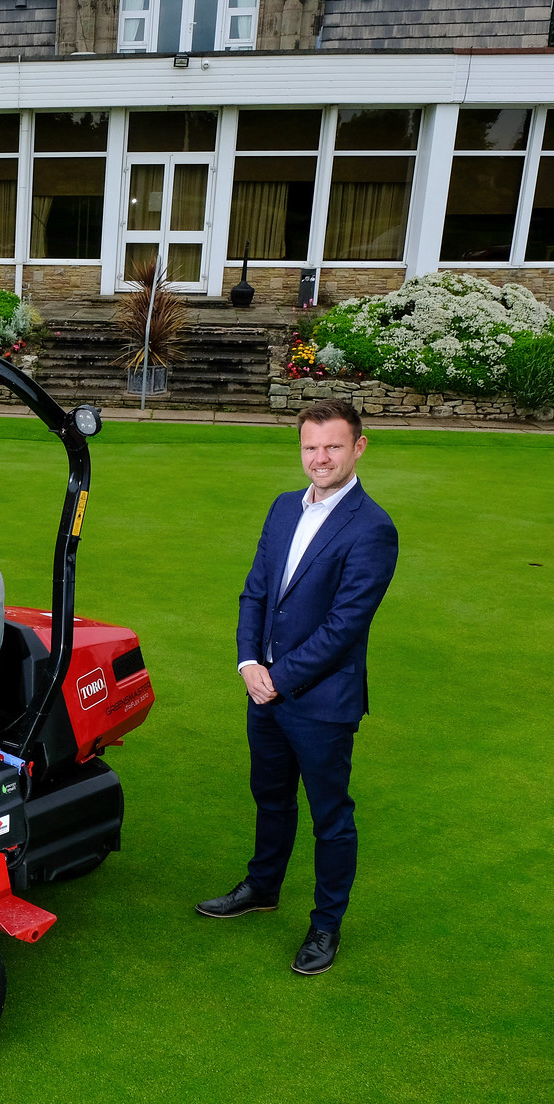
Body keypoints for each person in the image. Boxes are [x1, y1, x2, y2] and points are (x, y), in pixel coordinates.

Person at [196, 397, 398, 976]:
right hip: (265, 690)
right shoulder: (284, 507)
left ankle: (326, 925)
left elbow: (344, 625)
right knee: (271, 798)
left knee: (330, 815)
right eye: (311, 446)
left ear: (358, 447)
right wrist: (248, 664)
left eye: (333, 445)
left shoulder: (374, 528)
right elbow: (256, 591)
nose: (320, 457)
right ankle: (262, 888)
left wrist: (275, 680)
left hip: (322, 703)